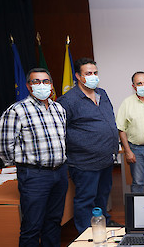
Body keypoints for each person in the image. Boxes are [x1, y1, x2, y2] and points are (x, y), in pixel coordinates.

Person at [0, 68, 67, 247]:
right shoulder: (17, 110)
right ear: (28, 86)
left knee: (53, 222)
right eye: (36, 82)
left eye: (45, 81)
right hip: (34, 176)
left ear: (51, 85)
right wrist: (21, 165)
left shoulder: (58, 108)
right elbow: (4, 145)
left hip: (59, 173)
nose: (41, 85)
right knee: (32, 226)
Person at [57, 58, 120, 233]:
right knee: (86, 199)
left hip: (106, 158)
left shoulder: (102, 93)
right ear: (78, 76)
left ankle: (104, 223)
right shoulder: (68, 101)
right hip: (84, 162)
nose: (93, 77)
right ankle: (86, 234)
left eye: (95, 73)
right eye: (88, 73)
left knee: (102, 196)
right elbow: (61, 131)